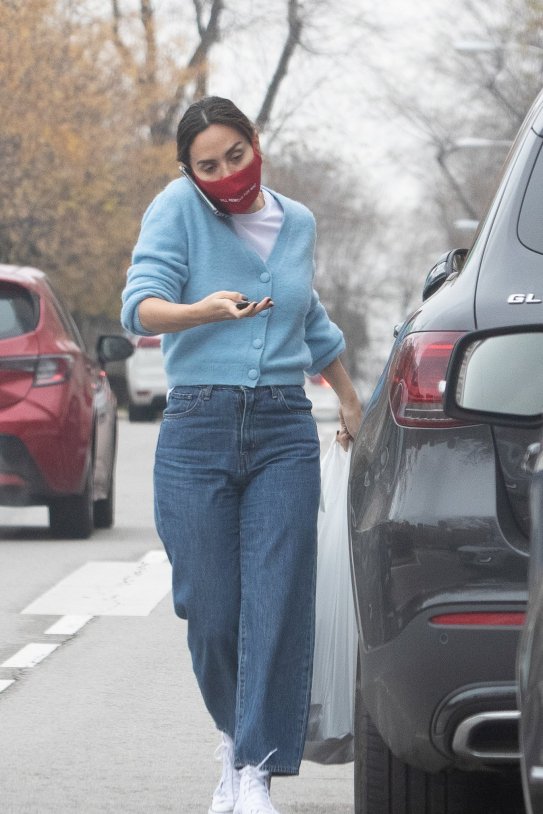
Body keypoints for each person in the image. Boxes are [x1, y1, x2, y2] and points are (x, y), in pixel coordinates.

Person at [120, 96, 362, 814]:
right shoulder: (177, 209)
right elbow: (140, 304)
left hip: (285, 428)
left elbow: (307, 314)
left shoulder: (298, 222)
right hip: (196, 426)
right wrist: (202, 310)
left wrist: (347, 396)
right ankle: (232, 734)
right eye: (207, 165)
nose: (226, 172)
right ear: (188, 172)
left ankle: (252, 768)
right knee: (211, 610)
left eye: (235, 155)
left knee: (277, 603)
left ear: (255, 144)